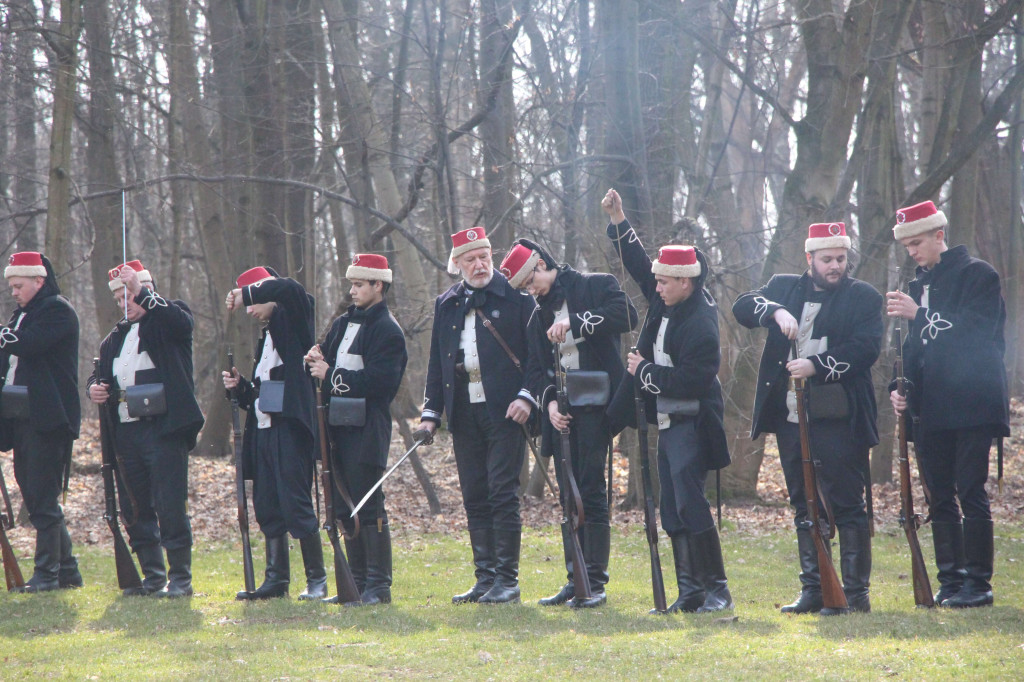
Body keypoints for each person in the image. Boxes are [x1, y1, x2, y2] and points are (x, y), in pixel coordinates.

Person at [733, 221, 881, 615]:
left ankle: (853, 593)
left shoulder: (863, 296)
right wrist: (776, 310)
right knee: (804, 502)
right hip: (789, 416)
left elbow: (866, 348)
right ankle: (815, 589)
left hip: (838, 416)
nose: (835, 266)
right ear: (809, 258)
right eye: (827, 259)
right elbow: (742, 306)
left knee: (846, 502)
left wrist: (816, 366)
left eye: (841, 258)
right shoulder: (784, 286)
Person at [602, 189, 733, 614]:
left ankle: (716, 590)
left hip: (691, 423)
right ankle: (690, 590)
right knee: (673, 507)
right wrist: (620, 221)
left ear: (685, 281)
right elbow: (642, 265)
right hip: (668, 422)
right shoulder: (666, 296)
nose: (655, 286)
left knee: (690, 504)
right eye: (657, 281)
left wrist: (644, 372)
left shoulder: (701, 322)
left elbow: (694, 379)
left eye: (663, 281)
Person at [498, 238, 637, 608]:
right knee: (567, 494)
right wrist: (548, 405)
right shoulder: (536, 315)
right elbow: (535, 370)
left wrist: (575, 322)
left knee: (591, 489)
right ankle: (574, 577)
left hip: (598, 405)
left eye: (532, 281)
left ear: (543, 263)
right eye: (525, 287)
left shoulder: (594, 285)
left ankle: (595, 581)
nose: (531, 291)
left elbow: (627, 314)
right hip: (563, 411)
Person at [886, 200, 1009, 608]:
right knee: (939, 494)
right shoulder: (921, 285)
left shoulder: (979, 275)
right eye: (907, 247)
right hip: (931, 406)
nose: (913, 252)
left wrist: (920, 313)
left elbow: (975, 335)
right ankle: (951, 581)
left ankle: (979, 583)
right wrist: (898, 386)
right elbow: (912, 349)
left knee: (970, 489)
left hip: (973, 401)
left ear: (940, 235)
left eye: (917, 243)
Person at [418, 227, 537, 604]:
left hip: (507, 410)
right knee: (474, 494)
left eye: (484, 257)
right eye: (470, 259)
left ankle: (508, 580)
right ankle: (485, 577)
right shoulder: (447, 303)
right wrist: (430, 413)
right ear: (458, 264)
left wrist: (527, 397)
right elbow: (439, 363)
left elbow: (537, 358)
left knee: (503, 492)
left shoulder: (518, 299)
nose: (479, 264)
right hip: (463, 412)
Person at [87, 261, 204, 597]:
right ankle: (153, 576)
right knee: (135, 507)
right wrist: (93, 387)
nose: (125, 303)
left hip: (163, 429)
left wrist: (141, 290)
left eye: (131, 295)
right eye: (120, 298)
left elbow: (179, 322)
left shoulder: (168, 319)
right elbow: (101, 376)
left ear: (145, 290)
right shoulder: (114, 339)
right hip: (126, 431)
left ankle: (179, 577)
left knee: (169, 504)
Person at [304, 254, 408, 605]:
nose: (352, 291)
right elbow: (326, 368)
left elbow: (381, 383)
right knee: (342, 508)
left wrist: (330, 374)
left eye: (359, 285)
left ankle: (378, 585)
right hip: (336, 430)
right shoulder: (340, 325)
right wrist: (315, 362)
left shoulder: (388, 330)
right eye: (352, 284)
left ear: (378, 286)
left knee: (368, 506)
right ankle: (356, 582)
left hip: (366, 431)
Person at [222, 266, 325, 601]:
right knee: (267, 503)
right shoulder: (266, 334)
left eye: (253, 299)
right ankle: (276, 580)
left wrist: (248, 293)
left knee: (296, 503)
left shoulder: (292, 314)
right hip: (265, 429)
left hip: (290, 429)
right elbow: (264, 394)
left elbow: (292, 289)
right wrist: (241, 389)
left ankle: (317, 580)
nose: (249, 310)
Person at [0, 251, 81, 593]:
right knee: (34, 496)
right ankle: (67, 570)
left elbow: (31, 345)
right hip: (22, 417)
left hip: (48, 417)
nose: (14, 293)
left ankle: (47, 574)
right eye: (11, 286)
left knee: (43, 497)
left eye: (19, 286)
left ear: (39, 281)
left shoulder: (57, 311)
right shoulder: (22, 317)